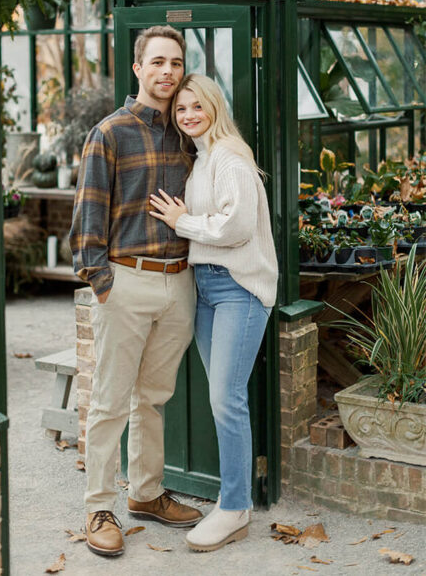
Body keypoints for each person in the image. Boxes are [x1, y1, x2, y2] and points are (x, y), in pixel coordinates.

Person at [70, 25, 203, 558]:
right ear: (138, 68)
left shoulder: (189, 131)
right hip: (126, 281)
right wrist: (104, 284)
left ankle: (145, 494)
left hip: (180, 284)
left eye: (175, 63)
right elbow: (87, 220)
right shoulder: (110, 133)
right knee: (108, 402)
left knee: (153, 399)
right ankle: (99, 506)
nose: (167, 72)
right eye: (158, 62)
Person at [148, 74, 277, 552]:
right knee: (223, 397)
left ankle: (235, 506)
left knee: (226, 398)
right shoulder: (202, 158)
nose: (188, 115)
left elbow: (238, 227)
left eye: (196, 106)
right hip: (206, 286)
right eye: (181, 109)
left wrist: (184, 222)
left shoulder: (230, 158)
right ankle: (234, 503)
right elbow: (215, 221)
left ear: (215, 106)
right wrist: (191, 220)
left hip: (238, 289)